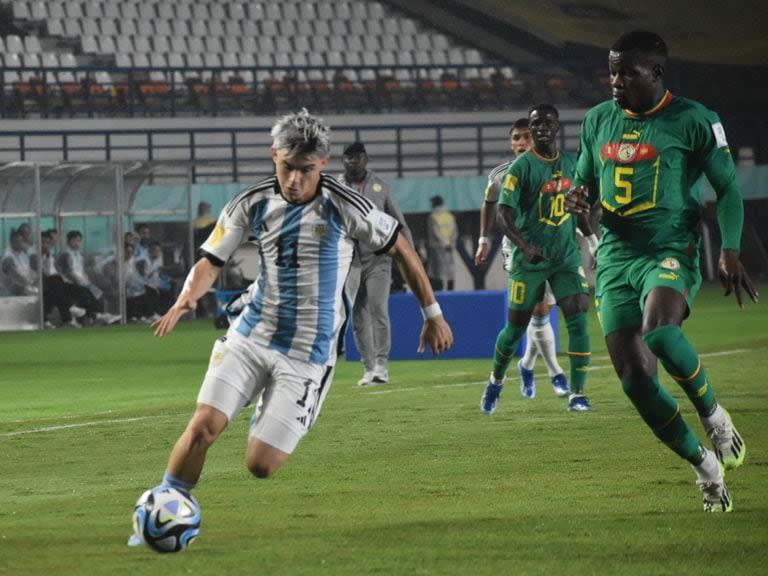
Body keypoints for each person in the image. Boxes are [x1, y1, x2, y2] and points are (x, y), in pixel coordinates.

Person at [129, 110, 453, 545]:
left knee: (261, 465)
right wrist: (187, 296)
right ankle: (163, 507)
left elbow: (403, 249)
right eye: (286, 167)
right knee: (204, 426)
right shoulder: (253, 201)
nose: (294, 180)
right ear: (274, 156)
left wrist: (432, 315)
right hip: (252, 336)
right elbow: (210, 259)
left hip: (307, 355)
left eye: (305, 170)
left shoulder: (346, 205)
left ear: (322, 163)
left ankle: (270, 408)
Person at [565, 30, 758, 512]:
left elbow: (728, 189)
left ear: (655, 73)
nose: (615, 80)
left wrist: (730, 248)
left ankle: (715, 417)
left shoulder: (694, 120)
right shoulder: (597, 121)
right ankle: (706, 470)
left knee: (659, 333)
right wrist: (578, 202)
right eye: (611, 70)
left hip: (669, 247)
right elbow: (584, 184)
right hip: (613, 257)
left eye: (626, 71)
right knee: (634, 378)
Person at [480, 103, 594, 414]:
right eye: (535, 124)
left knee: (578, 317)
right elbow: (502, 214)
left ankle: (577, 393)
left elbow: (581, 207)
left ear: (557, 127)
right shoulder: (519, 169)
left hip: (565, 257)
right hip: (528, 259)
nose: (540, 128)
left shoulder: (574, 163)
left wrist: (594, 241)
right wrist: (525, 247)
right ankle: (496, 381)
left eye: (547, 123)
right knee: (515, 328)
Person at [339, 141, 414, 386]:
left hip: (378, 258)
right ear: (343, 161)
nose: (353, 162)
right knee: (357, 315)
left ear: (365, 159)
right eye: (348, 158)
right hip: (349, 260)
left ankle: (382, 364)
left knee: (378, 308)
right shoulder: (335, 187)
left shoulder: (381, 187)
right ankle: (369, 367)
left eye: (357, 157)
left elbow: (398, 223)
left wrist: (410, 257)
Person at [57, 230, 120, 325]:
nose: (77, 243)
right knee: (87, 293)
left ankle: (98, 316)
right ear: (69, 241)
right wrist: (82, 283)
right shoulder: (66, 254)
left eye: (79, 241)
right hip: (70, 284)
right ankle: (96, 315)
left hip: (83, 282)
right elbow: (69, 272)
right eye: (75, 240)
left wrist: (88, 282)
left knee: (99, 293)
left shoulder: (79, 255)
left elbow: (82, 271)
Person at [426, 195, 458, 291]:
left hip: (437, 247)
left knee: (437, 270)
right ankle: (450, 289)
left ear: (434, 204)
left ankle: (439, 291)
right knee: (450, 269)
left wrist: (444, 243)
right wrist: (450, 243)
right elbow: (455, 232)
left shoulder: (433, 217)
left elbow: (436, 232)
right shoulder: (450, 216)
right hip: (450, 247)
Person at [1, 229, 38, 296]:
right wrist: (28, 284)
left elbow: (31, 270)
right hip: (12, 294)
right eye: (21, 241)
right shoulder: (8, 256)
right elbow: (15, 275)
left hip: (23, 290)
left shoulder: (22, 254)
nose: (23, 244)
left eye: (23, 241)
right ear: (14, 242)